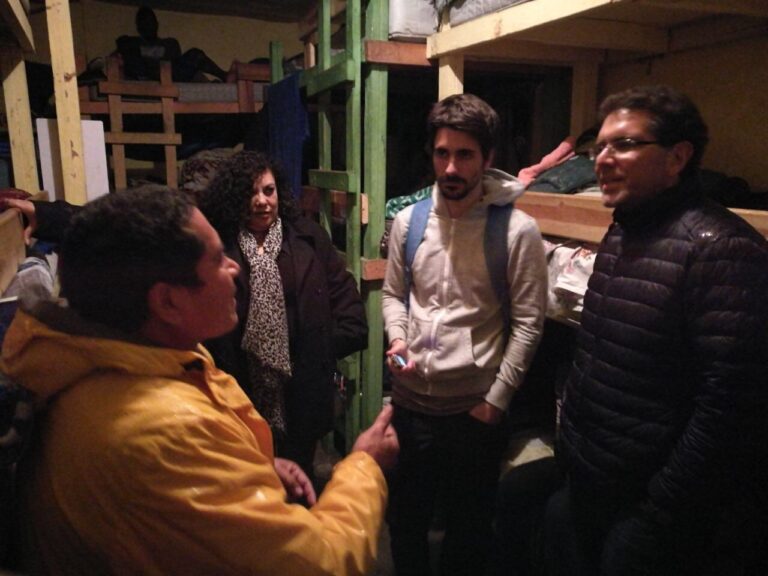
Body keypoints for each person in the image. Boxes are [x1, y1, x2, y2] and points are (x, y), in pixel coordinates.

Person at [0, 186, 398, 575]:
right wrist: (366, 465)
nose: (233, 268)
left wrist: (249, 468)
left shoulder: (126, 361)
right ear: (168, 302)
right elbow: (323, 563)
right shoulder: (166, 432)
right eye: (218, 259)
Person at [534, 85, 768, 576]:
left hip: (649, 507)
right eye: (599, 147)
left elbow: (729, 410)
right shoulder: (624, 231)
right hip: (593, 481)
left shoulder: (721, 250)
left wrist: (659, 513)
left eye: (624, 144)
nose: (602, 160)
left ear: (677, 157)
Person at [381, 93, 549, 576]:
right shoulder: (409, 222)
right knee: (405, 522)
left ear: (488, 157)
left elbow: (529, 322)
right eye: (442, 153)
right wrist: (397, 340)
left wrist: (496, 401)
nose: (451, 167)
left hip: (474, 414)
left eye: (465, 155)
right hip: (412, 406)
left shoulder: (517, 231)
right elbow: (394, 295)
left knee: (469, 530)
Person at [196, 151, 368, 479]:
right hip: (240, 387)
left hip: (302, 390)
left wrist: (317, 350)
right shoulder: (219, 244)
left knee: (299, 479)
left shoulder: (308, 238)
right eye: (251, 192)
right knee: (247, 479)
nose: (261, 201)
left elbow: (348, 306)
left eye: (268, 190)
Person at [115, 5, 228, 82]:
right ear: (138, 27)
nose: (148, 25)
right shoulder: (131, 43)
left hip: (171, 75)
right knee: (126, 55)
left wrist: (148, 56)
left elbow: (174, 60)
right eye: (144, 23)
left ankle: (226, 76)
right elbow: (122, 49)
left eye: (150, 21)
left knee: (195, 54)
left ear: (156, 24)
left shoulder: (169, 43)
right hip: (145, 74)